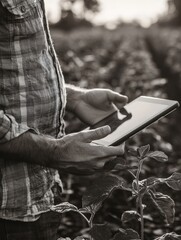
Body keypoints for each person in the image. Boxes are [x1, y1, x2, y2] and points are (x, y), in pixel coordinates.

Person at [0, 0, 128, 239]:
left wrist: (75, 97)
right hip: (8, 211)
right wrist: (54, 151)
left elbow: (15, 68)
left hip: (39, 194)